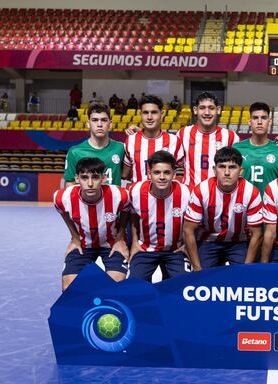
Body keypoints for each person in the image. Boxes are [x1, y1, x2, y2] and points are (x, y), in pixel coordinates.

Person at [53, 157, 130, 291]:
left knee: (115, 287)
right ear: (77, 179)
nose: (89, 183)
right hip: (83, 245)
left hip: (111, 245)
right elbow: (62, 211)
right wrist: (75, 237)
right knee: (69, 289)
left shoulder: (120, 195)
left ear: (103, 178)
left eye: (95, 177)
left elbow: (126, 210)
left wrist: (120, 238)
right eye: (84, 177)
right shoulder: (62, 198)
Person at [183, 147, 263, 270]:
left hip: (239, 242)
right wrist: (197, 267)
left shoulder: (251, 192)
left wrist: (246, 270)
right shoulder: (201, 191)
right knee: (202, 279)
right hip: (208, 241)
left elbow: (257, 234)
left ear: (241, 171)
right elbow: (188, 230)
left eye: (232, 167)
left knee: (243, 279)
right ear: (214, 170)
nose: (226, 172)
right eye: (222, 167)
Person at [128, 151, 192, 282]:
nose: (162, 177)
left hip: (175, 250)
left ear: (174, 174)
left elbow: (195, 222)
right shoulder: (135, 191)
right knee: (134, 287)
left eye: (167, 173)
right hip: (145, 249)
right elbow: (132, 215)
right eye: (157, 172)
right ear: (149, 173)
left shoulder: (187, 193)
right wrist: (134, 241)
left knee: (183, 287)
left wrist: (187, 245)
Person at [122, 95, 183, 184]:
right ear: (140, 114)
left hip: (167, 196)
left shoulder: (174, 141)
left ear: (161, 114)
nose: (149, 117)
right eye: (145, 112)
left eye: (154, 112)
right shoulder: (131, 140)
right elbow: (124, 175)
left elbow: (181, 173)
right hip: (138, 196)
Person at [63, 100, 125, 188]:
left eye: (104, 120)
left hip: (113, 201)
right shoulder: (75, 152)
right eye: (95, 120)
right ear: (88, 124)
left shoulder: (121, 148)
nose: (99, 124)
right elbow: (70, 184)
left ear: (110, 124)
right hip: (86, 201)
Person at [234, 102, 278, 195]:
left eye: (264, 118)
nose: (259, 122)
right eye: (255, 118)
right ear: (249, 121)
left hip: (271, 206)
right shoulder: (236, 149)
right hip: (244, 206)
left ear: (270, 121)